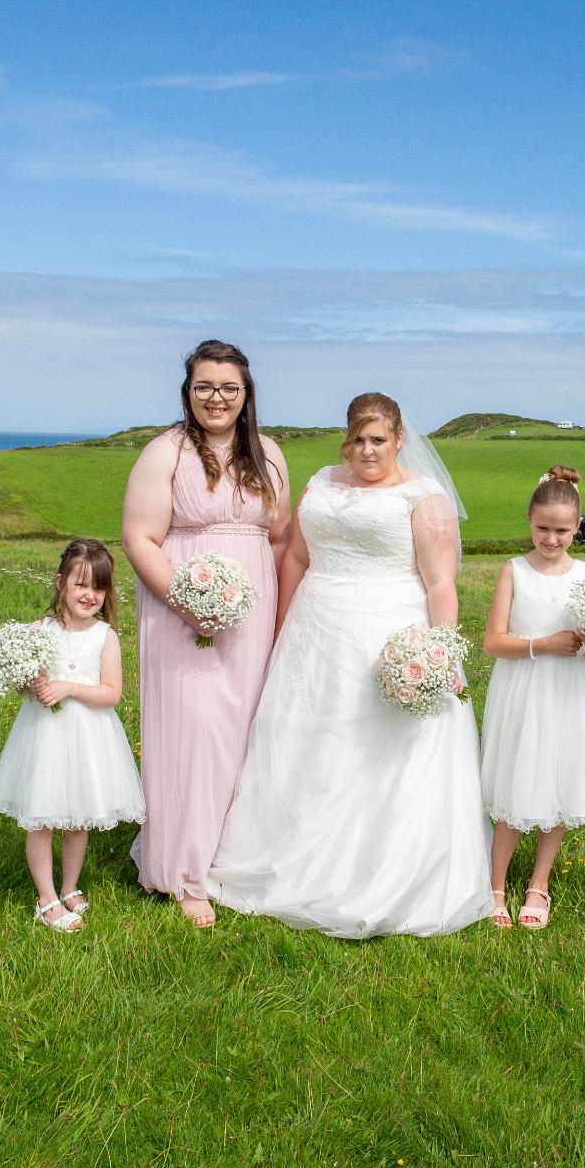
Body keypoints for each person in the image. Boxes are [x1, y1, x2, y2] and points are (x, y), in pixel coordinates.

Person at [207, 392, 494, 938]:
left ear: (399, 439)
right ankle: (287, 854)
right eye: (358, 439)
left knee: (372, 746)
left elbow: (440, 581)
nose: (367, 450)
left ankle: (376, 873)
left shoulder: (423, 496)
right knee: (304, 738)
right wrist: (279, 629)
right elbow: (296, 556)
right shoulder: (322, 482)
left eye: (378, 440)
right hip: (314, 629)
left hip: (387, 632)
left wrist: (441, 651)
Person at [121, 340, 291, 927]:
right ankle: (184, 872)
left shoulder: (268, 454)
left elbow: (278, 539)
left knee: (240, 732)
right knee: (193, 731)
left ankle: (228, 857)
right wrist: (187, 603)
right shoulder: (164, 451)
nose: (216, 398)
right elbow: (139, 537)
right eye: (204, 387)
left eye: (228, 388)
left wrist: (275, 613)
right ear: (187, 392)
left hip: (253, 611)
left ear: (246, 395)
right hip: (181, 609)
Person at [480, 465, 585, 929]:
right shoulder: (514, 571)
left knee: (559, 780)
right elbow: (492, 643)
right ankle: (494, 885)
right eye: (543, 528)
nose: (551, 539)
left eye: (562, 531)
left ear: (578, 526)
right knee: (517, 779)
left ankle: (538, 884)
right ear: (529, 520)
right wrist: (544, 644)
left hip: (569, 691)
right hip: (524, 688)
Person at [0, 538, 146, 932]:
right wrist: (31, 684)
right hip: (46, 738)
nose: (90, 595)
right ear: (60, 583)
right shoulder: (40, 630)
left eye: (99, 587)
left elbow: (111, 693)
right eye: (81, 584)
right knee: (42, 818)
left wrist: (69, 688)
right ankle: (46, 898)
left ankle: (70, 886)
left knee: (78, 819)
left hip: (89, 737)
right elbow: (25, 680)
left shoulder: (105, 636)